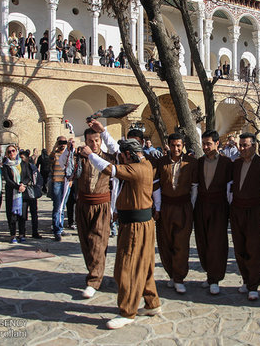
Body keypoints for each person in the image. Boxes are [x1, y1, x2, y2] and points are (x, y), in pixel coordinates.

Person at [80, 139, 161, 329]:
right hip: (136, 224)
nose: (121, 159)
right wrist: (103, 132)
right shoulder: (144, 163)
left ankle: (127, 312)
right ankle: (152, 303)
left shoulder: (137, 169)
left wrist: (90, 155)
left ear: (128, 155)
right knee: (144, 267)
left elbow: (110, 169)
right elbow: (117, 159)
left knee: (127, 269)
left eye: (123, 156)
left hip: (136, 227)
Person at [153, 133, 199, 294]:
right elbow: (156, 186)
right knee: (165, 243)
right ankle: (171, 274)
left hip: (184, 206)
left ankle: (179, 277)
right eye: (173, 145)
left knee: (181, 244)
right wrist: (157, 208)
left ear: (183, 145)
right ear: (168, 146)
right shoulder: (161, 162)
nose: (176, 148)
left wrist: (191, 208)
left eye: (179, 145)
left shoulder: (191, 163)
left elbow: (194, 188)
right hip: (166, 207)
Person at [73, 128, 116, 299]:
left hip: (102, 206)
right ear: (85, 141)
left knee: (98, 241)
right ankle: (93, 270)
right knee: (86, 242)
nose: (94, 144)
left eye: (97, 140)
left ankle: (94, 280)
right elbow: (63, 165)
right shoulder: (79, 159)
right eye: (90, 141)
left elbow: (117, 152)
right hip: (83, 204)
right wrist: (70, 150)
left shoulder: (108, 159)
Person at [229, 132, 260, 301]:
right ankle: (246, 280)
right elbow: (231, 187)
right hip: (237, 210)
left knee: (255, 248)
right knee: (240, 247)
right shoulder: (236, 164)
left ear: (254, 146)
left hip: (255, 211)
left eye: (245, 145)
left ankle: (254, 284)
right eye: (240, 145)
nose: (242, 148)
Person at [194, 130, 232, 295]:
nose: (205, 147)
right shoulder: (199, 162)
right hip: (202, 206)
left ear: (217, 143)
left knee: (217, 243)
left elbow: (231, 189)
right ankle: (209, 274)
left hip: (219, 207)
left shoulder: (226, 163)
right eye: (203, 144)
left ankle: (215, 278)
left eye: (209, 143)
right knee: (202, 241)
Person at [2, 145, 28, 243]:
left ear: (16, 151)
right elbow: (8, 180)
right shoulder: (6, 166)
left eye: (13, 151)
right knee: (12, 215)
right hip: (12, 192)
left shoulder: (23, 164)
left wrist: (23, 184)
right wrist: (18, 187)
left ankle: (22, 234)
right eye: (9, 152)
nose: (11, 153)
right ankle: (13, 235)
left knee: (22, 215)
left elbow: (27, 176)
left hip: (22, 192)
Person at [50, 136, 71, 241]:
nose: (63, 144)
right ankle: (56, 230)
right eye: (61, 142)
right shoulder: (54, 154)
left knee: (62, 207)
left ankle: (60, 227)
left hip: (66, 182)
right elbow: (48, 160)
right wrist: (55, 146)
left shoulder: (68, 154)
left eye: (64, 142)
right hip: (57, 182)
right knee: (57, 207)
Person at [18, 150, 43, 239]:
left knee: (34, 214)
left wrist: (38, 187)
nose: (21, 160)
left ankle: (35, 232)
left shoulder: (32, 167)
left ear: (27, 158)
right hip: (23, 193)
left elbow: (39, 178)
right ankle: (22, 233)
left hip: (32, 192)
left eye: (22, 158)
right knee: (22, 214)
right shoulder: (19, 168)